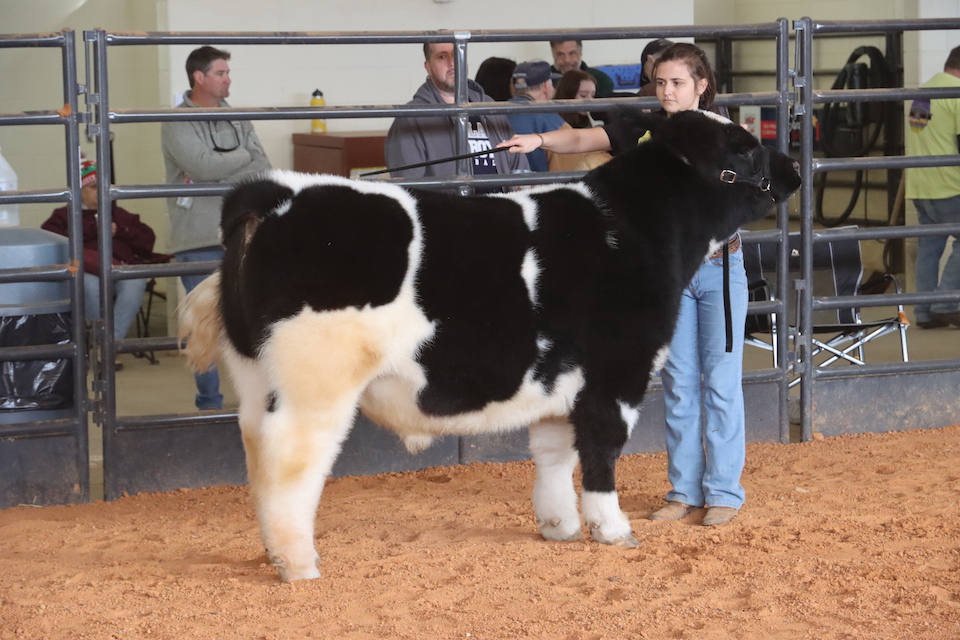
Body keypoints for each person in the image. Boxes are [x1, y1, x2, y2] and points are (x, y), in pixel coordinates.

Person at [500, 42, 745, 527]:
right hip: (668, 277)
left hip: (719, 270)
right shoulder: (645, 129)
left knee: (720, 382)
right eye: (661, 83)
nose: (668, 92)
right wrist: (537, 142)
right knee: (677, 384)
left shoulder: (727, 136)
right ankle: (683, 491)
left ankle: (723, 492)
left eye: (677, 83)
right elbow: (584, 139)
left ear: (702, 86)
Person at [162, 45, 272, 409]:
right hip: (196, 236)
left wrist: (222, 164)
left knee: (254, 318)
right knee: (204, 324)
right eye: (221, 73)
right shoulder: (176, 120)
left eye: (227, 73)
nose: (228, 79)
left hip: (242, 233)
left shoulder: (237, 115)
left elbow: (263, 166)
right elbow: (203, 166)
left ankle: (259, 400)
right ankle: (208, 402)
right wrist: (240, 159)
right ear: (199, 77)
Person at [42, 157, 167, 357]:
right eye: (92, 187)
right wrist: (94, 228)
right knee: (90, 286)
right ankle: (98, 341)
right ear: (79, 190)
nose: (98, 192)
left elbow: (147, 240)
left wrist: (121, 231)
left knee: (136, 282)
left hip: (119, 268)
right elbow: (50, 240)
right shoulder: (63, 216)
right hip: (87, 270)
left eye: (101, 186)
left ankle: (108, 345)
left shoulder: (120, 214)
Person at [384, 43, 529, 190]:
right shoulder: (411, 119)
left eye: (456, 55)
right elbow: (409, 190)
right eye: (442, 57)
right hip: (451, 212)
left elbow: (518, 165)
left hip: (500, 209)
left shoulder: (488, 106)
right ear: (428, 67)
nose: (452, 63)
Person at [905, 45, 960, 329]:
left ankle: (925, 312)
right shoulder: (957, 94)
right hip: (949, 185)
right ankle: (946, 303)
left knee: (929, 246)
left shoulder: (924, 92)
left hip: (920, 184)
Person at [505, 60, 568, 172]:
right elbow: (567, 169)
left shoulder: (493, 112)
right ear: (545, 87)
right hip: (540, 188)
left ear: (511, 87)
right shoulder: (552, 120)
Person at [549, 40, 615, 98]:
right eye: (560, 55)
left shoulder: (602, 80)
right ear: (553, 54)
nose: (567, 60)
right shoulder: (544, 81)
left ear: (580, 52)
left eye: (572, 53)